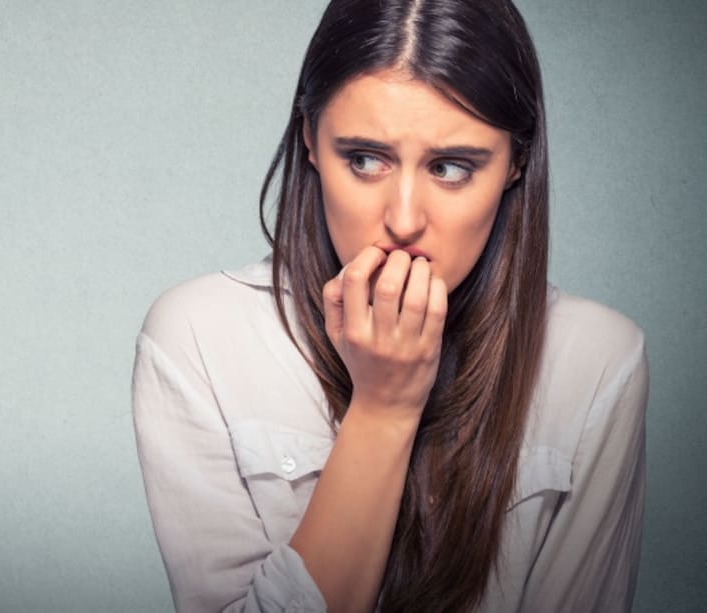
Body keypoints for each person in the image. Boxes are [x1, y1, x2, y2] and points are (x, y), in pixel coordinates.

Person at [131, 0, 649, 611]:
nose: (403, 221)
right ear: (310, 142)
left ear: (516, 163)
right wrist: (383, 409)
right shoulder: (199, 337)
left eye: (452, 167)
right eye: (365, 160)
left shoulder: (596, 363)